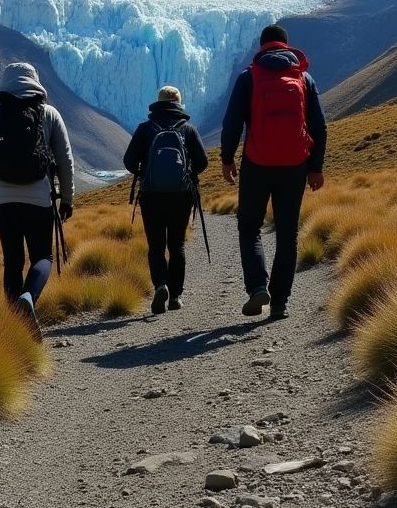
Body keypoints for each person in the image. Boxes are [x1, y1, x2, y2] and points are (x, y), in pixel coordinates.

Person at [221, 25, 327, 320]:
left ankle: (257, 287)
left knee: (249, 227)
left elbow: (231, 123)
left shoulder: (248, 78)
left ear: (262, 45)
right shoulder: (304, 79)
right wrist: (315, 168)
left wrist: (228, 159)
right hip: (294, 166)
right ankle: (279, 303)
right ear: (286, 45)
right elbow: (319, 126)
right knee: (287, 233)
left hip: (256, 164)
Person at [0, 62, 74, 340]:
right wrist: (67, 199)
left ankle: (15, 327)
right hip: (39, 198)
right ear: (35, 82)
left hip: (2, 200)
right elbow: (66, 161)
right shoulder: (49, 114)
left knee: (12, 261)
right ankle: (29, 297)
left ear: (6, 82)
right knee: (42, 256)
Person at [124, 86, 208, 314]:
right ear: (179, 104)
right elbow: (203, 162)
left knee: (156, 246)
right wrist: (188, 172)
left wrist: (144, 172)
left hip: (151, 196)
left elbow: (128, 161)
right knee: (177, 244)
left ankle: (161, 285)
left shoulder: (145, 129)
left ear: (158, 103)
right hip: (181, 196)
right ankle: (176, 297)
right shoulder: (188, 129)